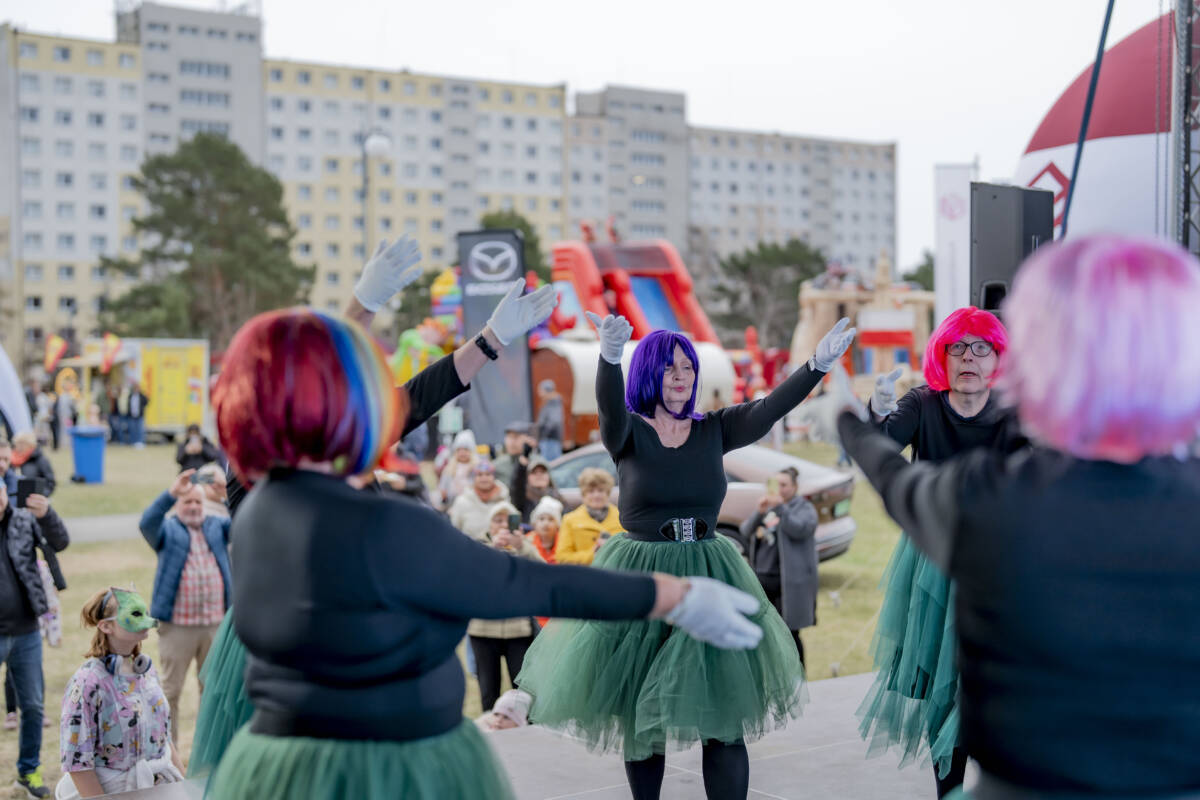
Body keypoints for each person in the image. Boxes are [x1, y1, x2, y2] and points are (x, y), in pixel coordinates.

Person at [203, 305, 764, 800]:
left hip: (272, 767)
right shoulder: (387, 526)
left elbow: (318, 383)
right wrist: (674, 596)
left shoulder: (257, 511)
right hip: (387, 768)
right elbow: (528, 585)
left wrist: (467, 334)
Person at [834, 234, 1200, 800]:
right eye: (961, 348)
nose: (971, 358)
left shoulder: (989, 500)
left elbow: (894, 480)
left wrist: (848, 424)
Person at [187, 243, 557, 782]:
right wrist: (360, 306)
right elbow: (316, 367)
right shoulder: (258, 469)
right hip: (288, 654)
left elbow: (420, 396)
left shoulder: (349, 445)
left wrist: (490, 339)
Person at [518, 313, 856, 800]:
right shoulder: (627, 433)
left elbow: (770, 408)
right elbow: (609, 409)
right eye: (670, 367)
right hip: (643, 573)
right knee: (641, 717)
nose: (681, 376)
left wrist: (816, 366)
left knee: (723, 718)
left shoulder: (715, 428)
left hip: (709, 569)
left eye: (688, 367)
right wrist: (609, 357)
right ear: (648, 372)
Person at [854, 306, 1021, 798]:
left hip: (996, 562)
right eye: (957, 347)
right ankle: (949, 789)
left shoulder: (1014, 411)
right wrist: (876, 412)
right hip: (931, 561)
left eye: (982, 348)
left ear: (999, 358)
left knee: (999, 681)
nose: (969, 358)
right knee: (941, 687)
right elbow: (879, 450)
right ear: (941, 356)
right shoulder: (921, 404)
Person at [55, 588, 183, 798]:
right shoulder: (88, 682)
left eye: (145, 612)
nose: (146, 619)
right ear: (106, 626)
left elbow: (164, 737)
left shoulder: (147, 671)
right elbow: (76, 762)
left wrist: (184, 786)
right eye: (135, 614)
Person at [138, 470, 232, 742]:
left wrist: (226, 495)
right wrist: (171, 493)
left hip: (214, 625)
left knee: (212, 692)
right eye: (187, 502)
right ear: (178, 505)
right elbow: (147, 522)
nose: (193, 507)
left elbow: (244, 522)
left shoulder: (216, 526)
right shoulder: (167, 530)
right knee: (170, 692)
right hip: (177, 626)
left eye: (198, 502)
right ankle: (171, 754)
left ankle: (205, 751)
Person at [0, 479, 69, 798]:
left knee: (33, 705)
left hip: (26, 631)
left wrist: (47, 514)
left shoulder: (24, 520)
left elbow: (60, 541)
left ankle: (29, 771)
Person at [735, 466, 817, 667]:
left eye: (784, 484)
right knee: (763, 630)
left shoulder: (804, 508)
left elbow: (799, 529)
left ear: (795, 487)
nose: (779, 489)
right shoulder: (769, 508)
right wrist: (759, 512)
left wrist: (781, 508)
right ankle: (773, 673)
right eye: (775, 484)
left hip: (789, 582)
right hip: (763, 577)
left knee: (789, 632)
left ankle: (797, 674)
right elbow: (745, 531)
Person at [468, 502, 545, 713]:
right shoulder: (477, 546)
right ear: (489, 524)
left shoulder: (525, 546)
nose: (503, 525)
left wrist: (522, 548)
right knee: (488, 691)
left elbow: (543, 574)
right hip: (483, 631)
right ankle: (490, 730)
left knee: (523, 691)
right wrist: (493, 549)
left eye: (508, 520)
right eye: (497, 520)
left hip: (518, 630)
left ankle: (525, 731)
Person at [553, 467, 621, 565]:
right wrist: (593, 555)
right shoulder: (570, 520)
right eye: (591, 491)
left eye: (601, 490)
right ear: (584, 495)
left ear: (608, 493)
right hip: (585, 573)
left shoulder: (621, 517)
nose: (596, 495)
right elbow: (562, 557)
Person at [448, 461, 509, 541]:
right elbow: (455, 529)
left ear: (494, 477)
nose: (484, 478)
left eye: (488, 474)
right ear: (474, 478)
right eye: (479, 475)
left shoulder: (503, 499)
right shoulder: (462, 502)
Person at [509, 450, 564, 523]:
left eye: (543, 472)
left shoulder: (557, 496)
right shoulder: (523, 499)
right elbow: (517, 485)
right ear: (527, 477)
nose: (539, 475)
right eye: (534, 472)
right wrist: (522, 466)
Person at [437, 429, 478, 508]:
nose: (462, 453)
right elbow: (443, 487)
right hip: (452, 503)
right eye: (459, 450)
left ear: (471, 451)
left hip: (471, 504)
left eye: (466, 450)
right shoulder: (449, 468)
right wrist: (444, 496)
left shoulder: (475, 468)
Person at [492, 420, 537, 485]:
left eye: (516, 437)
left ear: (529, 439)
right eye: (508, 437)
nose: (511, 442)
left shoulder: (537, 463)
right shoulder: (497, 465)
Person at [526, 496, 563, 563]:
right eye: (541, 519)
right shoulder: (528, 541)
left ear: (557, 525)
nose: (546, 523)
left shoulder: (564, 541)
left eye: (551, 519)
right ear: (534, 524)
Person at [535, 379, 565, 461]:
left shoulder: (553, 403)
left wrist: (544, 434)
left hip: (550, 440)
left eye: (541, 390)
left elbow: (554, 422)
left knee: (551, 464)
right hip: (548, 440)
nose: (539, 393)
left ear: (546, 391)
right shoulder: (549, 402)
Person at [119, 382, 149, 448]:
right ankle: (133, 442)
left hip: (139, 415)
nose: (136, 389)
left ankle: (140, 442)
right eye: (135, 388)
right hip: (131, 416)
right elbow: (127, 405)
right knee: (132, 430)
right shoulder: (130, 396)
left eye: (137, 388)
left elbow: (146, 402)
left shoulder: (141, 396)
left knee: (140, 430)